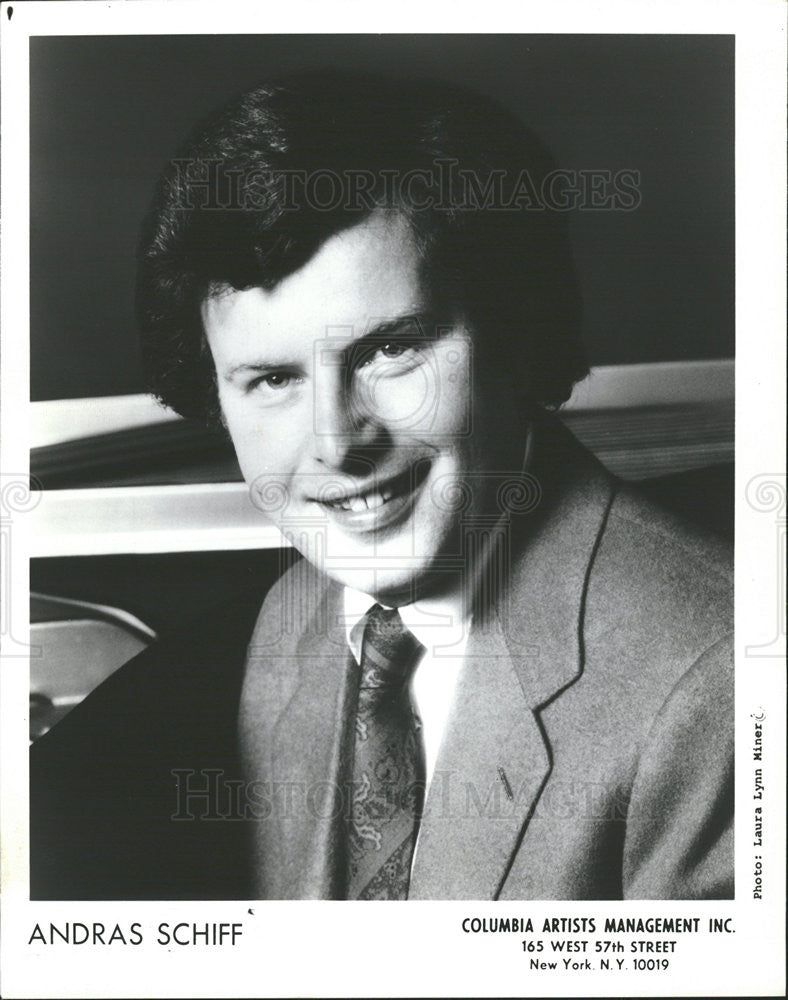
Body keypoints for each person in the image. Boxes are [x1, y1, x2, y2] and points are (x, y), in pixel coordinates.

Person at [30, 70, 733, 900]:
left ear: (515, 335)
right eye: (271, 380)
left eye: (388, 350)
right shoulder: (289, 627)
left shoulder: (723, 687)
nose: (336, 442)